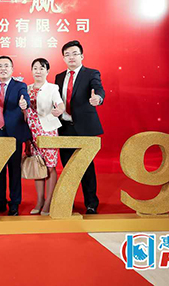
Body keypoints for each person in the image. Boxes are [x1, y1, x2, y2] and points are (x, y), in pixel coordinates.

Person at [55, 40, 105, 214]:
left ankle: (91, 203)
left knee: (86, 167)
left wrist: (98, 98)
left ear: (82, 56)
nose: (71, 57)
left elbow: (98, 89)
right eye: (67, 54)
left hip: (84, 128)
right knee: (67, 167)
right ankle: (68, 202)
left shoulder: (91, 73)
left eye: (75, 54)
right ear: (63, 58)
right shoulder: (59, 77)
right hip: (64, 127)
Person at [0, 56, 31, 216]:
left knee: (14, 169)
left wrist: (25, 104)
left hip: (13, 134)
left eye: (6, 66)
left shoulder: (20, 86)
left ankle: (15, 203)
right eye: (0, 66)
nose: (3, 69)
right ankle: (0, 202)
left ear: (12, 69)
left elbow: (25, 98)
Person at [25, 58, 65, 216]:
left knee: (50, 166)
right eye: (35, 68)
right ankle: (40, 200)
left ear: (47, 71)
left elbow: (60, 104)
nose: (38, 71)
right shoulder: (26, 88)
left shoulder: (52, 88)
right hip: (32, 132)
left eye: (42, 68)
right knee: (38, 166)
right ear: (31, 71)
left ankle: (49, 201)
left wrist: (59, 110)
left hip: (48, 130)